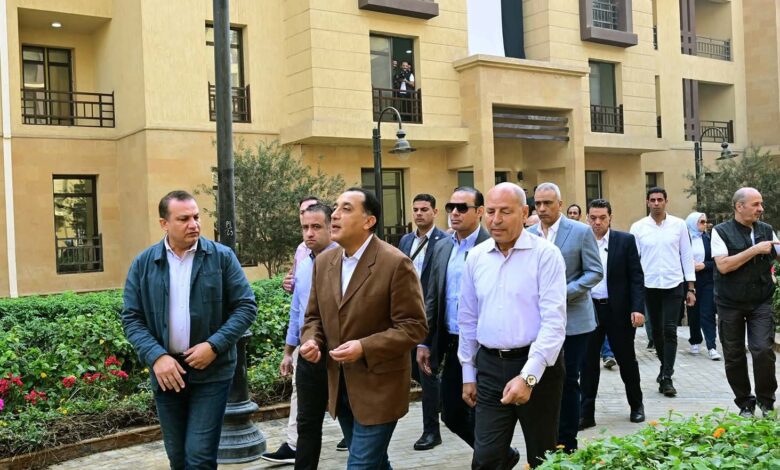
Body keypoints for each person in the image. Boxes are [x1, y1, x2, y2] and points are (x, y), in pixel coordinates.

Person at [121, 190, 258, 469]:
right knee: (178, 458)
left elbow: (246, 306)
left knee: (199, 457)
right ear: (164, 223)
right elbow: (132, 318)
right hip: (167, 373)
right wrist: (157, 357)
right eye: (184, 219)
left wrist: (214, 345)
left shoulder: (222, 257)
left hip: (212, 370)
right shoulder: (143, 264)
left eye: (196, 217)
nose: (194, 224)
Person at [299, 187, 427, 469]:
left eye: (346, 209)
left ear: (369, 221)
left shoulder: (395, 263)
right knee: (376, 463)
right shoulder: (324, 262)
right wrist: (312, 340)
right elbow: (313, 317)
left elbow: (414, 326)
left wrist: (364, 347)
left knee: (360, 465)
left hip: (379, 388)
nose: (335, 215)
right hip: (340, 385)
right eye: (335, 207)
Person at [459, 182, 567, 469]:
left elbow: (554, 322)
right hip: (490, 367)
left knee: (542, 458)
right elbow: (467, 318)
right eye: (491, 211)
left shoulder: (546, 255)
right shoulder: (477, 257)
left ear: (524, 213)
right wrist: (468, 372)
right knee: (485, 458)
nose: (496, 220)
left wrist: (528, 377)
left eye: (505, 212)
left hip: (539, 366)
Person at [261, 204, 340, 466]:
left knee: (352, 421)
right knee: (306, 424)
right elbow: (297, 311)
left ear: (331, 227)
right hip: (308, 352)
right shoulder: (304, 264)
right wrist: (288, 351)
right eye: (305, 227)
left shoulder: (345, 261)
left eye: (316, 227)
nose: (309, 233)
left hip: (341, 353)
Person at [527, 182, 602, 452]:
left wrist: (562, 293)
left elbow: (595, 271)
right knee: (541, 379)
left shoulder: (580, 231)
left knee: (568, 380)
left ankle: (567, 443)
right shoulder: (528, 234)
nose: (542, 208)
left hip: (574, 321)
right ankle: (546, 439)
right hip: (538, 322)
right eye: (538, 203)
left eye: (548, 203)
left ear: (560, 204)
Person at [417, 187, 490, 451]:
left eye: (462, 208)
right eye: (451, 208)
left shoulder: (491, 245)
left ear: (479, 212)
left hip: (485, 343)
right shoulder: (442, 246)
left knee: (482, 411)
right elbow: (432, 297)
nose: (454, 213)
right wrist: (425, 341)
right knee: (451, 413)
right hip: (451, 341)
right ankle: (500, 454)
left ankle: (488, 459)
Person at [711, 187, 778, 418]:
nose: (761, 209)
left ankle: (766, 402)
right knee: (734, 354)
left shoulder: (766, 230)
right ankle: (745, 403)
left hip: (761, 300)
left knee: (762, 349)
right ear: (739, 207)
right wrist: (755, 250)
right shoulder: (720, 231)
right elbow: (723, 266)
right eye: (756, 204)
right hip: (730, 302)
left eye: (761, 204)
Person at [579, 199, 646, 430]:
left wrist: (637, 308)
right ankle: (586, 414)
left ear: (610, 218)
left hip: (618, 310)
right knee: (588, 364)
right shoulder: (581, 240)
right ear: (587, 218)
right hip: (589, 311)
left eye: (602, 218)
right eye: (593, 218)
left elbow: (636, 277)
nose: (597, 222)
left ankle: (636, 405)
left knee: (627, 360)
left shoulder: (625, 241)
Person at [630, 187, 696, 397]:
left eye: (660, 199)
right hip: (649, 285)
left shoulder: (679, 225)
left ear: (666, 201)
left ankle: (667, 376)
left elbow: (686, 255)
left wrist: (691, 287)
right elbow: (634, 260)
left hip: (673, 284)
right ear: (647, 202)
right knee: (657, 331)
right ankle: (664, 366)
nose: (656, 203)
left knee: (670, 329)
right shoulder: (638, 227)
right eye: (653, 200)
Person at [398, 194, 447, 451]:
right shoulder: (406, 240)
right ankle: (443, 398)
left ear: (434, 212)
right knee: (413, 369)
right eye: (415, 209)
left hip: (430, 314)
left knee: (427, 371)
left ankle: (431, 431)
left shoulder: (443, 241)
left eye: (424, 209)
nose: (419, 213)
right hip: (406, 313)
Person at [685, 212, 721, 361]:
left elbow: (717, 261)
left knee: (707, 312)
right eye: (701, 222)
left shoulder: (708, 239)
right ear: (693, 223)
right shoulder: (684, 239)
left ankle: (712, 346)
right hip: (689, 281)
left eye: (705, 222)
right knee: (693, 312)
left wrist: (704, 265)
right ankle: (695, 340)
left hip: (707, 280)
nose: (705, 225)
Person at [282, 196, 321, 293]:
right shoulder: (301, 248)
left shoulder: (338, 247)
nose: (306, 214)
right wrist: (288, 284)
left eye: (311, 210)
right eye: (302, 212)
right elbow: (295, 284)